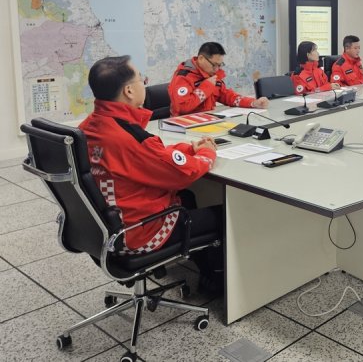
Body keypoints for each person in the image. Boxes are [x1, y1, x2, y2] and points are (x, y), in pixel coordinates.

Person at [80, 56, 224, 293]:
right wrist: (206, 153)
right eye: (141, 79)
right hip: (136, 233)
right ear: (128, 90)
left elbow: (150, 157)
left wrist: (188, 148)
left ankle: (205, 269)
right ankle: (216, 281)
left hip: (104, 226)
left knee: (188, 198)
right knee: (223, 214)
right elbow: (184, 173)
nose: (143, 84)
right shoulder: (127, 137)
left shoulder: (91, 126)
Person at [168, 42, 268, 116]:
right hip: (184, 125)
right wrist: (207, 87)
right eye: (214, 65)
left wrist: (253, 103)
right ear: (201, 58)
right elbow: (183, 107)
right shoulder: (182, 77)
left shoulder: (211, 74)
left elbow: (228, 96)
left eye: (219, 65)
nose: (216, 69)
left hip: (207, 121)